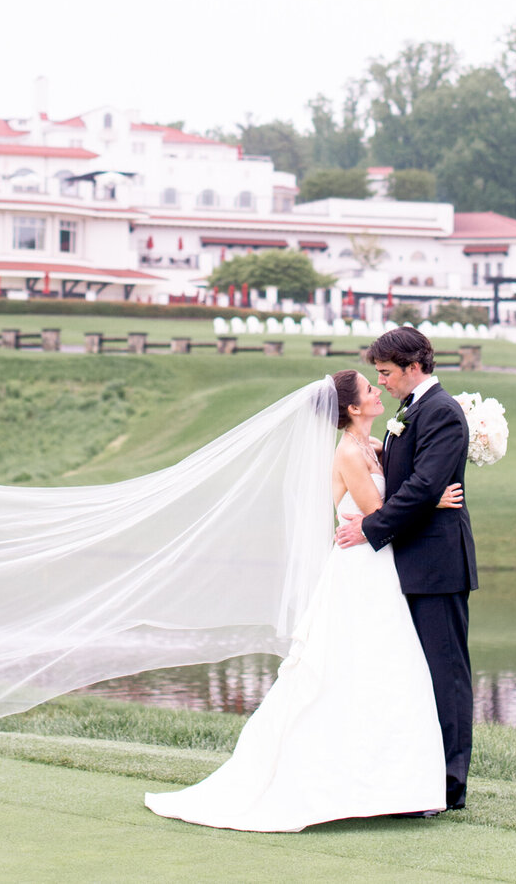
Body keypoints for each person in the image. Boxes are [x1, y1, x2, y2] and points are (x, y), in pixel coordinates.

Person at [144, 369, 462, 831]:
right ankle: (353, 780)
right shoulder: (349, 453)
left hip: (378, 569)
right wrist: (434, 501)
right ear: (353, 407)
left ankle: (393, 782)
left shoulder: (374, 446)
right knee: (360, 668)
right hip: (360, 571)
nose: (379, 392)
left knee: (385, 669)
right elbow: (379, 511)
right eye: (371, 390)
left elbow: (399, 480)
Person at [335, 326, 477, 811]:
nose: (384, 382)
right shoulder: (411, 412)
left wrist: (370, 528)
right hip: (409, 562)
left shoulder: (442, 413)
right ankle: (416, 777)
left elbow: (421, 486)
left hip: (437, 565)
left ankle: (450, 786)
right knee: (415, 676)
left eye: (387, 373)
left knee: (446, 675)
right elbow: (413, 484)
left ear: (413, 366)